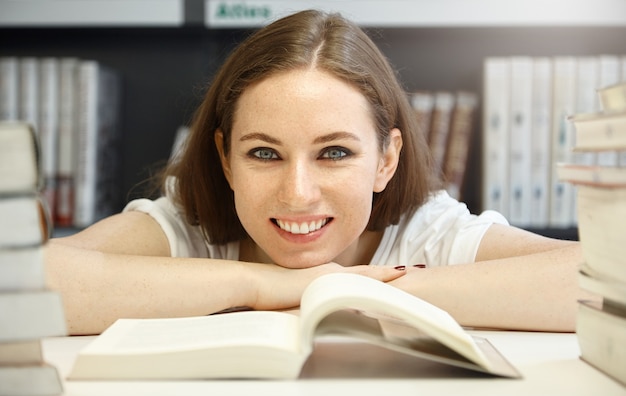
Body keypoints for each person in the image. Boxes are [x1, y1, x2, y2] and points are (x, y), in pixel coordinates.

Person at [46, 9, 592, 336]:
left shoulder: (429, 232)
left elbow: (602, 278)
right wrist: (264, 285)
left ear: (386, 160)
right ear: (224, 158)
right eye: (263, 153)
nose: (298, 193)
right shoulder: (186, 225)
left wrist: (351, 293)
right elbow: (21, 283)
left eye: (334, 153)